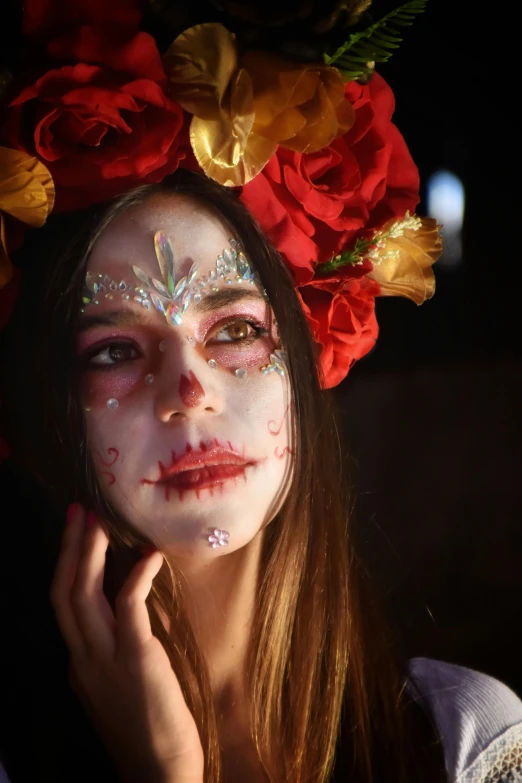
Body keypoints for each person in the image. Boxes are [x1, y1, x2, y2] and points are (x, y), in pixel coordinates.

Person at [0, 3, 521, 783]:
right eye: (114, 349)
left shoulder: (465, 741)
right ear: (46, 415)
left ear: (302, 368)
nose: (188, 389)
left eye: (236, 331)